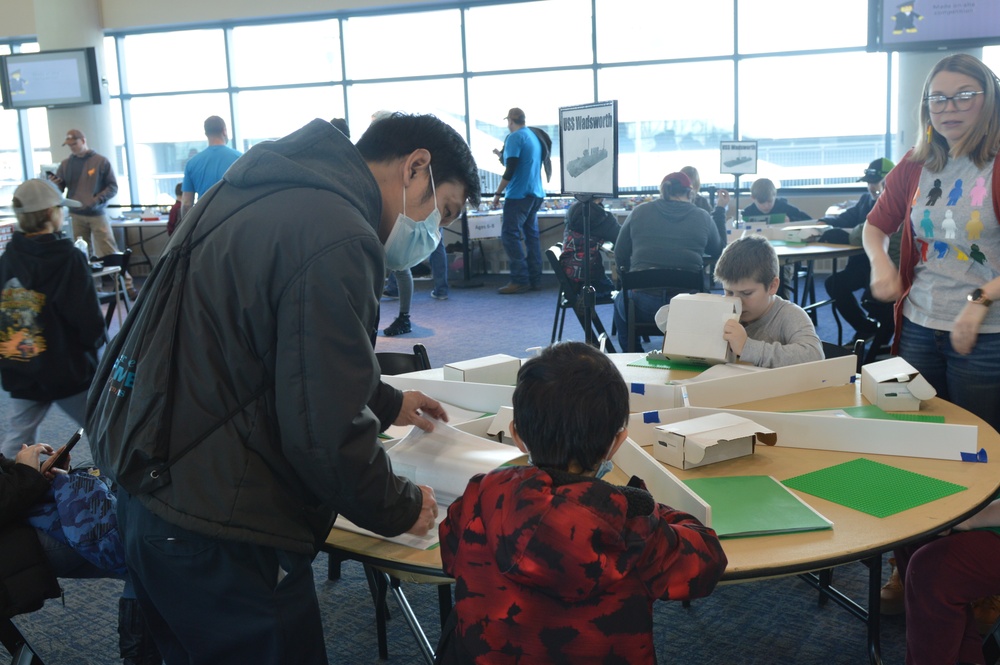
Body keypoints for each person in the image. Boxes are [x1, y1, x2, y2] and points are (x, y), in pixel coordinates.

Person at [90, 113, 480, 664]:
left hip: (156, 484)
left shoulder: (269, 188)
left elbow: (279, 343)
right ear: (416, 167)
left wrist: (387, 401)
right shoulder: (339, 229)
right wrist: (397, 506)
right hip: (221, 518)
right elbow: (323, 432)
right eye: (440, 212)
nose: (431, 234)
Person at [436, 341, 727, 664]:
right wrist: (644, 505)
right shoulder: (634, 529)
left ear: (517, 434)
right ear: (617, 443)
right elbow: (707, 563)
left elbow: (451, 556)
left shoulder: (481, 496)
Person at [863, 53, 1000, 665]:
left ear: (987, 97)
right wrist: (883, 261)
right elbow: (875, 226)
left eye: (962, 96)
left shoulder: (996, 162)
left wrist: (979, 300)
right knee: (910, 447)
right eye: (938, 99)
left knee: (975, 452)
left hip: (986, 332)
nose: (949, 109)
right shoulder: (916, 165)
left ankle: (973, 586)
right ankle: (909, 566)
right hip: (918, 326)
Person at [1, 443, 161, 665]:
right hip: (11, 545)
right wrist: (25, 475)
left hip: (17, 521)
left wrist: (38, 473)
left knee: (138, 541)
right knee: (144, 549)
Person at [0, 179, 106, 460]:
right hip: (68, 369)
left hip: (22, 365)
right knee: (104, 428)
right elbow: (88, 320)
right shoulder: (69, 258)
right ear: (51, 213)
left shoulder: (7, 258)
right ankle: (120, 492)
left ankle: (8, 491)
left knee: (18, 437)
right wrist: (97, 346)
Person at [612, 171, 722, 351]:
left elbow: (620, 253)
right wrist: (720, 213)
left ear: (663, 191)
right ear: (690, 193)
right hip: (687, 308)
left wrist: (627, 281)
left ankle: (632, 354)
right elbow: (718, 250)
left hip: (641, 306)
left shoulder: (639, 212)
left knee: (620, 301)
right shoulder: (702, 216)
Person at [48, 128, 134, 297]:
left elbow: (112, 187)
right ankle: (94, 288)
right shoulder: (66, 164)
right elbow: (60, 189)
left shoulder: (100, 161)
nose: (72, 147)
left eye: (74, 143)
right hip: (76, 214)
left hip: (97, 213)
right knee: (82, 254)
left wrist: (96, 199)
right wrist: (55, 184)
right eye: (69, 145)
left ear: (83, 140)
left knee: (109, 249)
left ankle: (126, 285)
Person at [714, 235, 824, 368]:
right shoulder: (723, 312)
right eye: (729, 292)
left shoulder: (788, 315)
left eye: (746, 293)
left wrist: (746, 347)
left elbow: (814, 355)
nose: (737, 302)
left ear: (772, 286)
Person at [820, 158, 897, 344]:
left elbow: (860, 232)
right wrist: (824, 223)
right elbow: (847, 218)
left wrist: (838, 233)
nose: (871, 187)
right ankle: (865, 327)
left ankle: (881, 338)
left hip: (885, 267)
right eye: (869, 183)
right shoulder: (865, 200)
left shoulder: (894, 205)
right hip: (861, 265)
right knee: (834, 283)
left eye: (875, 182)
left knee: (873, 298)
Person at [492, 107, 546, 294]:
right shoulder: (532, 136)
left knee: (510, 235)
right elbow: (519, 162)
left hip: (519, 195)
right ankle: (534, 279)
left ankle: (520, 280)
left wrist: (498, 194)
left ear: (510, 121)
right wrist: (500, 156)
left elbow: (511, 169)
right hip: (536, 194)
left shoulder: (514, 137)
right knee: (531, 236)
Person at [180, 115, 242, 218]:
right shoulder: (240, 159)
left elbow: (186, 203)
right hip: (233, 220)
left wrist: (186, 230)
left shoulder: (192, 163)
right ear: (224, 131)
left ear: (206, 133)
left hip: (205, 222)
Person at [559, 197, 620, 297]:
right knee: (618, 294)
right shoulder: (603, 217)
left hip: (569, 278)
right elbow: (620, 238)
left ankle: (583, 300)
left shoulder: (571, 211)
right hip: (592, 280)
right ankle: (586, 299)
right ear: (601, 198)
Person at [681, 165, 729, 247]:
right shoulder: (701, 205)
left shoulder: (658, 209)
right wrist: (720, 208)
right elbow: (718, 243)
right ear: (696, 185)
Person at [742, 177, 811, 223]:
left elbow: (809, 221)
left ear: (775, 195)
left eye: (770, 201)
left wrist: (791, 220)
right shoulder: (746, 213)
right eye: (761, 202)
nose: (766, 206)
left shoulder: (785, 208)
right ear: (753, 198)